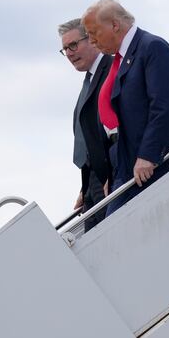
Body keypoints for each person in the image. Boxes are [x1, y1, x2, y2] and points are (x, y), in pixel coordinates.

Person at [82, 0, 169, 216]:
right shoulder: (124, 57)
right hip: (130, 168)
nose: (91, 41)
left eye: (93, 32)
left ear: (115, 25)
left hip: (156, 163)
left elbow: (163, 106)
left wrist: (148, 155)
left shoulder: (152, 47)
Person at [58, 18, 114, 231]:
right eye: (65, 49)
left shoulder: (111, 70)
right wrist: (85, 186)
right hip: (94, 182)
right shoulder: (89, 80)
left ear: (92, 39)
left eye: (73, 45)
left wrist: (113, 173)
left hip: (110, 177)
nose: (70, 53)